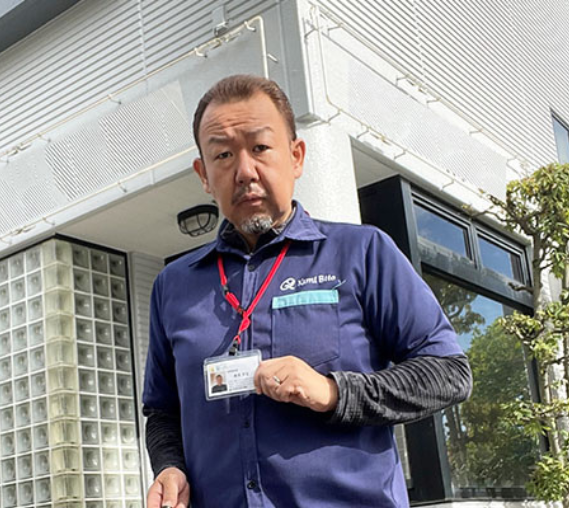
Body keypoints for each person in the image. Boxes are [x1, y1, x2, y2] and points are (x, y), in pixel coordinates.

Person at [142, 74, 472, 508]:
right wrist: (169, 466)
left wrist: (334, 393)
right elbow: (162, 410)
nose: (245, 171)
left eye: (261, 147)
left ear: (296, 157)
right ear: (204, 175)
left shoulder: (362, 253)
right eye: (223, 154)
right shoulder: (174, 285)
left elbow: (448, 373)